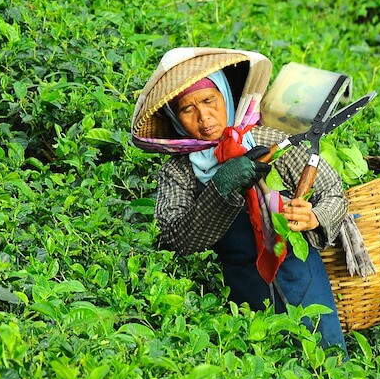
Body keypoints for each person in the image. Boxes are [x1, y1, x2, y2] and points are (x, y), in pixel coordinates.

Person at [131, 48, 348, 353]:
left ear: (225, 96)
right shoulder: (179, 171)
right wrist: (220, 187)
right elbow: (176, 238)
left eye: (209, 101)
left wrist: (316, 216)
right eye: (187, 109)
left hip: (303, 276)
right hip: (244, 289)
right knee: (263, 367)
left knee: (328, 360)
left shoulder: (267, 140)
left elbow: (332, 190)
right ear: (174, 117)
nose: (204, 117)